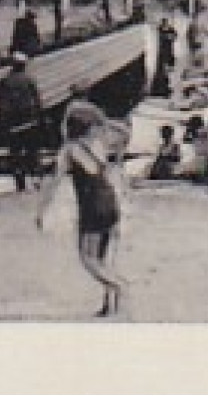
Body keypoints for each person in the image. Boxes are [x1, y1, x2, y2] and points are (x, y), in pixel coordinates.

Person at [36, 111, 130, 317]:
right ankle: (110, 306)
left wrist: (42, 210)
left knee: (88, 258)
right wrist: (106, 123)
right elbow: (123, 132)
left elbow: (54, 183)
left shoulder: (68, 150)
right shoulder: (98, 144)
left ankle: (119, 286)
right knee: (105, 257)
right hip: (110, 200)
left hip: (92, 205)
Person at [0, 54, 45, 192]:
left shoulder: (4, 82)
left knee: (15, 153)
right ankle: (36, 180)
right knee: (33, 152)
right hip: (30, 122)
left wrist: (2, 123)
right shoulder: (29, 80)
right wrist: (40, 118)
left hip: (12, 124)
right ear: (23, 65)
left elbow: (0, 105)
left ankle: (20, 183)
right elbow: (37, 101)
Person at [152, 19, 178, 99]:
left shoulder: (171, 29)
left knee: (166, 71)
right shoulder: (159, 30)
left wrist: (170, 37)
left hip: (167, 53)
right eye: (164, 23)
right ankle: (160, 89)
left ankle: (164, 89)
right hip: (160, 54)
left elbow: (175, 37)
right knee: (161, 71)